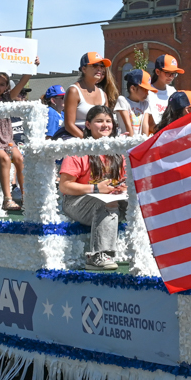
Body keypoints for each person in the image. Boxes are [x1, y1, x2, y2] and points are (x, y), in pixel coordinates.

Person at [58, 105, 126, 270]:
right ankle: (97, 256)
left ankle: (150, 251)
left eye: (108, 121)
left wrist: (123, 187)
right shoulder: (78, 150)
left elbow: (124, 179)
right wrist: (95, 189)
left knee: (141, 202)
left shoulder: (118, 151)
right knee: (106, 203)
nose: (105, 125)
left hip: (110, 200)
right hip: (75, 202)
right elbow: (65, 186)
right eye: (99, 121)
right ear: (88, 125)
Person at [0, 62, 38, 212]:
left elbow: (23, 81)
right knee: (5, 159)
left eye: (2, 84)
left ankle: (25, 196)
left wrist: (32, 65)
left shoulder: (8, 98)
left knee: (19, 159)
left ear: (6, 86)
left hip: (7, 140)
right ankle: (8, 199)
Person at [63, 53, 119, 138]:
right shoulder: (74, 91)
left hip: (97, 139)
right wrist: (88, 142)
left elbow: (107, 121)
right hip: (74, 138)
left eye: (102, 66)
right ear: (84, 69)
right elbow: (69, 125)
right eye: (95, 65)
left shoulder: (103, 94)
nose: (99, 69)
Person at [144, 54, 184, 131]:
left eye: (173, 73)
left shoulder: (173, 91)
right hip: (154, 135)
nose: (171, 76)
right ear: (157, 72)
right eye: (168, 73)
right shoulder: (147, 92)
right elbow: (148, 123)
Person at [115, 70, 155, 135]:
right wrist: (132, 140)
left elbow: (145, 125)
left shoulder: (145, 104)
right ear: (133, 88)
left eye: (148, 90)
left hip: (140, 140)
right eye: (145, 90)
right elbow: (128, 125)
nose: (147, 93)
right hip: (125, 139)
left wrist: (145, 139)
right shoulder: (123, 100)